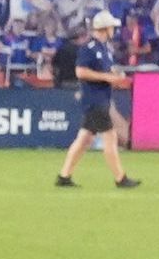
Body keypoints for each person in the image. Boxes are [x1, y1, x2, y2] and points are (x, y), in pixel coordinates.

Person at [51, 13, 133, 189]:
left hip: (100, 98)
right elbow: (80, 72)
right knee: (110, 137)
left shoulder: (104, 49)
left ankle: (64, 176)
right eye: (111, 27)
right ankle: (120, 178)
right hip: (95, 100)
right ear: (105, 28)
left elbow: (107, 70)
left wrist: (115, 76)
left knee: (84, 139)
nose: (114, 30)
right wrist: (107, 77)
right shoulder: (89, 48)